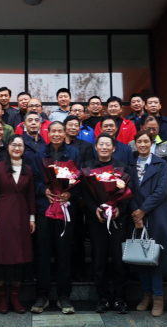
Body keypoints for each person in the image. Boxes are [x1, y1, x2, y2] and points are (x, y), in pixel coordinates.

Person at [129, 131, 167, 318]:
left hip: (157, 215)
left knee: (155, 259)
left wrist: (143, 210)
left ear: (151, 143)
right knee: (140, 258)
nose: (143, 144)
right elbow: (128, 190)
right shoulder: (131, 165)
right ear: (135, 143)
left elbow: (161, 190)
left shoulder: (160, 164)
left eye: (146, 141)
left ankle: (158, 298)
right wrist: (136, 213)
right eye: (139, 141)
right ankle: (146, 295)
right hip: (136, 216)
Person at [31, 121, 82, 315]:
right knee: (43, 253)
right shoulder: (39, 154)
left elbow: (80, 179)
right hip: (45, 209)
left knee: (64, 253)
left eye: (60, 131)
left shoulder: (74, 153)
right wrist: (43, 190)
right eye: (54, 131)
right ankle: (42, 295)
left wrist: (70, 193)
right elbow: (34, 179)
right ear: (48, 133)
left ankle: (64, 296)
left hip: (65, 209)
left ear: (64, 133)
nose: (57, 134)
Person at [82, 133, 132, 315]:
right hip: (97, 221)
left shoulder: (122, 166)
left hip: (118, 221)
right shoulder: (87, 167)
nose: (104, 147)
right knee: (99, 260)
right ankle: (102, 298)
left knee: (119, 261)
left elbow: (128, 191)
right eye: (101, 144)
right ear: (96, 147)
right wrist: (94, 208)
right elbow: (85, 193)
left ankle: (120, 298)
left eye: (107, 144)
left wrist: (119, 208)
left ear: (114, 148)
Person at [0, 135, 36, 315]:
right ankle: (1, 296)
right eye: (13, 145)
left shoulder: (28, 169)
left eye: (20, 145)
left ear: (24, 148)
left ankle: (15, 297)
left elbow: (31, 195)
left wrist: (32, 218)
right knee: (1, 256)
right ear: (7, 147)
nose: (17, 148)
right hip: (2, 216)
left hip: (22, 216)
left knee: (19, 257)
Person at [63, 115, 94, 282]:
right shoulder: (57, 145)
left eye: (77, 125)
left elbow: (86, 170)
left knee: (78, 236)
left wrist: (79, 193)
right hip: (59, 196)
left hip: (78, 197)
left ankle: (79, 272)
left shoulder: (86, 146)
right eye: (71, 125)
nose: (74, 127)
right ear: (64, 127)